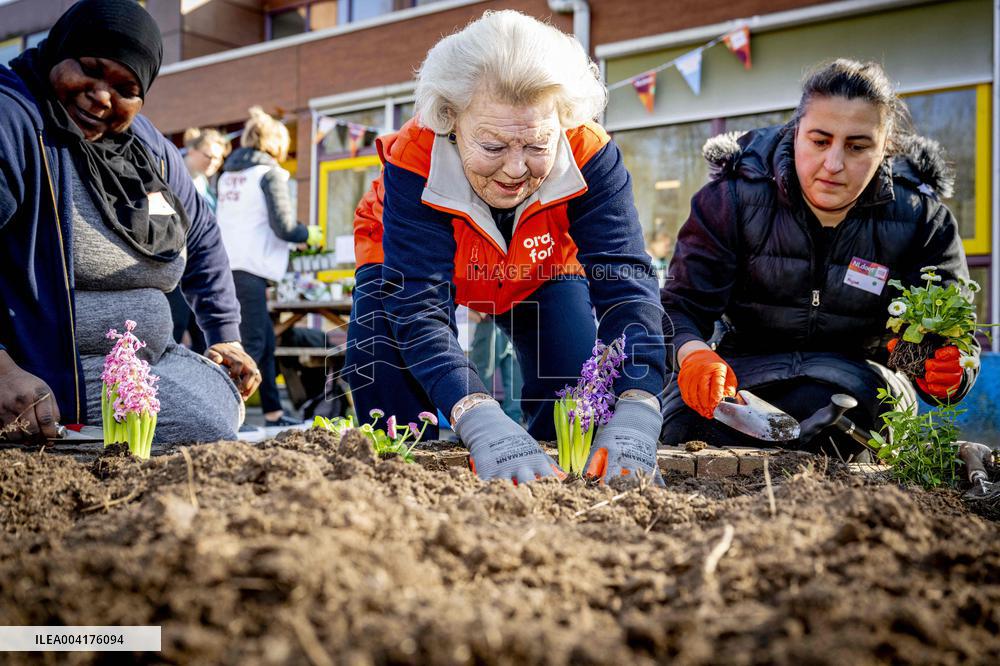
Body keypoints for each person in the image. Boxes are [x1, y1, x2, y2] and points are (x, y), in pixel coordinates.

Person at [347, 10, 667, 484]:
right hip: (416, 263)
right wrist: (477, 414)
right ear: (451, 119)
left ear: (562, 121)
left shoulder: (589, 151)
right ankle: (405, 482)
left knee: (575, 386)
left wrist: (639, 403)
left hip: (537, 265)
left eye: (537, 145)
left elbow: (627, 286)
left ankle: (551, 477)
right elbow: (417, 307)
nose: (516, 170)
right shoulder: (415, 157)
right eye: (493, 146)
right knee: (381, 365)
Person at [660, 59, 980, 456]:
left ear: (886, 148)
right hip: (741, 381)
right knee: (680, 427)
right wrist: (693, 353)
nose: (834, 164)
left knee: (861, 438)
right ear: (796, 133)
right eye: (820, 140)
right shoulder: (732, 198)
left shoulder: (923, 220)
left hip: (859, 388)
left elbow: (953, 337)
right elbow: (679, 306)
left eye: (858, 146)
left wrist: (948, 369)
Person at [0, 0, 260, 444]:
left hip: (152, 359)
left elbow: (202, 237)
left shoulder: (147, 147)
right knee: (201, 427)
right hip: (46, 369)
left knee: (217, 403)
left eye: (125, 87)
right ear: (58, 49)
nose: (102, 95)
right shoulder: (15, 118)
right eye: (89, 68)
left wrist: (226, 335)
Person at [216, 106, 323, 428]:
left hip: (226, 266)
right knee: (250, 345)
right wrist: (307, 233)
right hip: (250, 268)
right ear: (275, 143)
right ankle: (227, 415)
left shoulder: (228, 175)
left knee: (264, 340)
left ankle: (274, 413)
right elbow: (284, 227)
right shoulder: (270, 174)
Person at [167, 126, 231, 354]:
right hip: (175, 269)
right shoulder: (172, 174)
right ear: (192, 150)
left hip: (199, 268)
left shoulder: (206, 185)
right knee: (173, 332)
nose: (214, 163)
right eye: (209, 156)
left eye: (219, 159)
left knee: (205, 341)